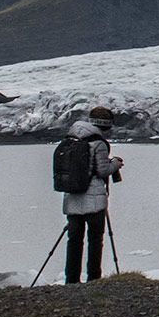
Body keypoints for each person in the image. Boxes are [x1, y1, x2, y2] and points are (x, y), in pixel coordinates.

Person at [59, 105, 122, 284]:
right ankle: (93, 279)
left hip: (72, 195)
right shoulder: (98, 143)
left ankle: (71, 280)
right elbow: (102, 171)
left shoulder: (72, 138)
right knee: (95, 239)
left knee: (74, 240)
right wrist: (115, 164)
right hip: (94, 198)